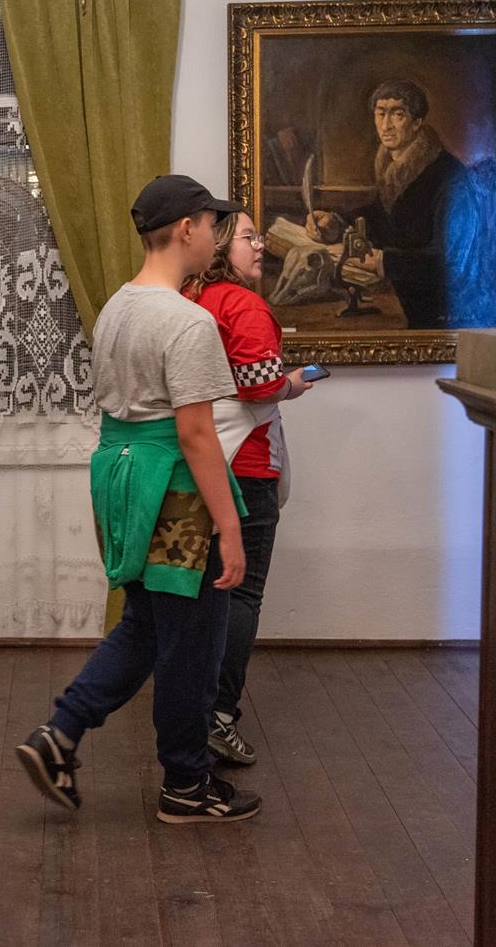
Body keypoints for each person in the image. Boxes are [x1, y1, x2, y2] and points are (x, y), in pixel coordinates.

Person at [15, 174, 261, 825]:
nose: (215, 238)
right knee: (194, 645)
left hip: (123, 479)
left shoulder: (117, 308)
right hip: (176, 494)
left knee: (147, 626)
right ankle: (186, 784)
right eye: (211, 225)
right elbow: (196, 433)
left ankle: (60, 733)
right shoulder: (186, 320)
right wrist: (229, 526)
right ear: (185, 229)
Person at [182, 209, 312, 766]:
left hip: (195, 463)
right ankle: (219, 715)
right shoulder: (243, 304)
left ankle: (191, 709)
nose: (260, 245)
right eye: (248, 237)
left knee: (202, 593)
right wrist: (294, 383)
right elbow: (261, 386)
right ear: (218, 246)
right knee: (241, 594)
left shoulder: (188, 297)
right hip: (247, 467)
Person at [307, 79, 495, 329]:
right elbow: (383, 215)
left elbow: (450, 262)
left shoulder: (449, 178)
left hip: (447, 316)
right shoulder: (393, 168)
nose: (386, 125)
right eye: (380, 113)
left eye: (398, 115)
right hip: (410, 304)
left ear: (417, 123)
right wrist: (336, 223)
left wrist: (382, 262)